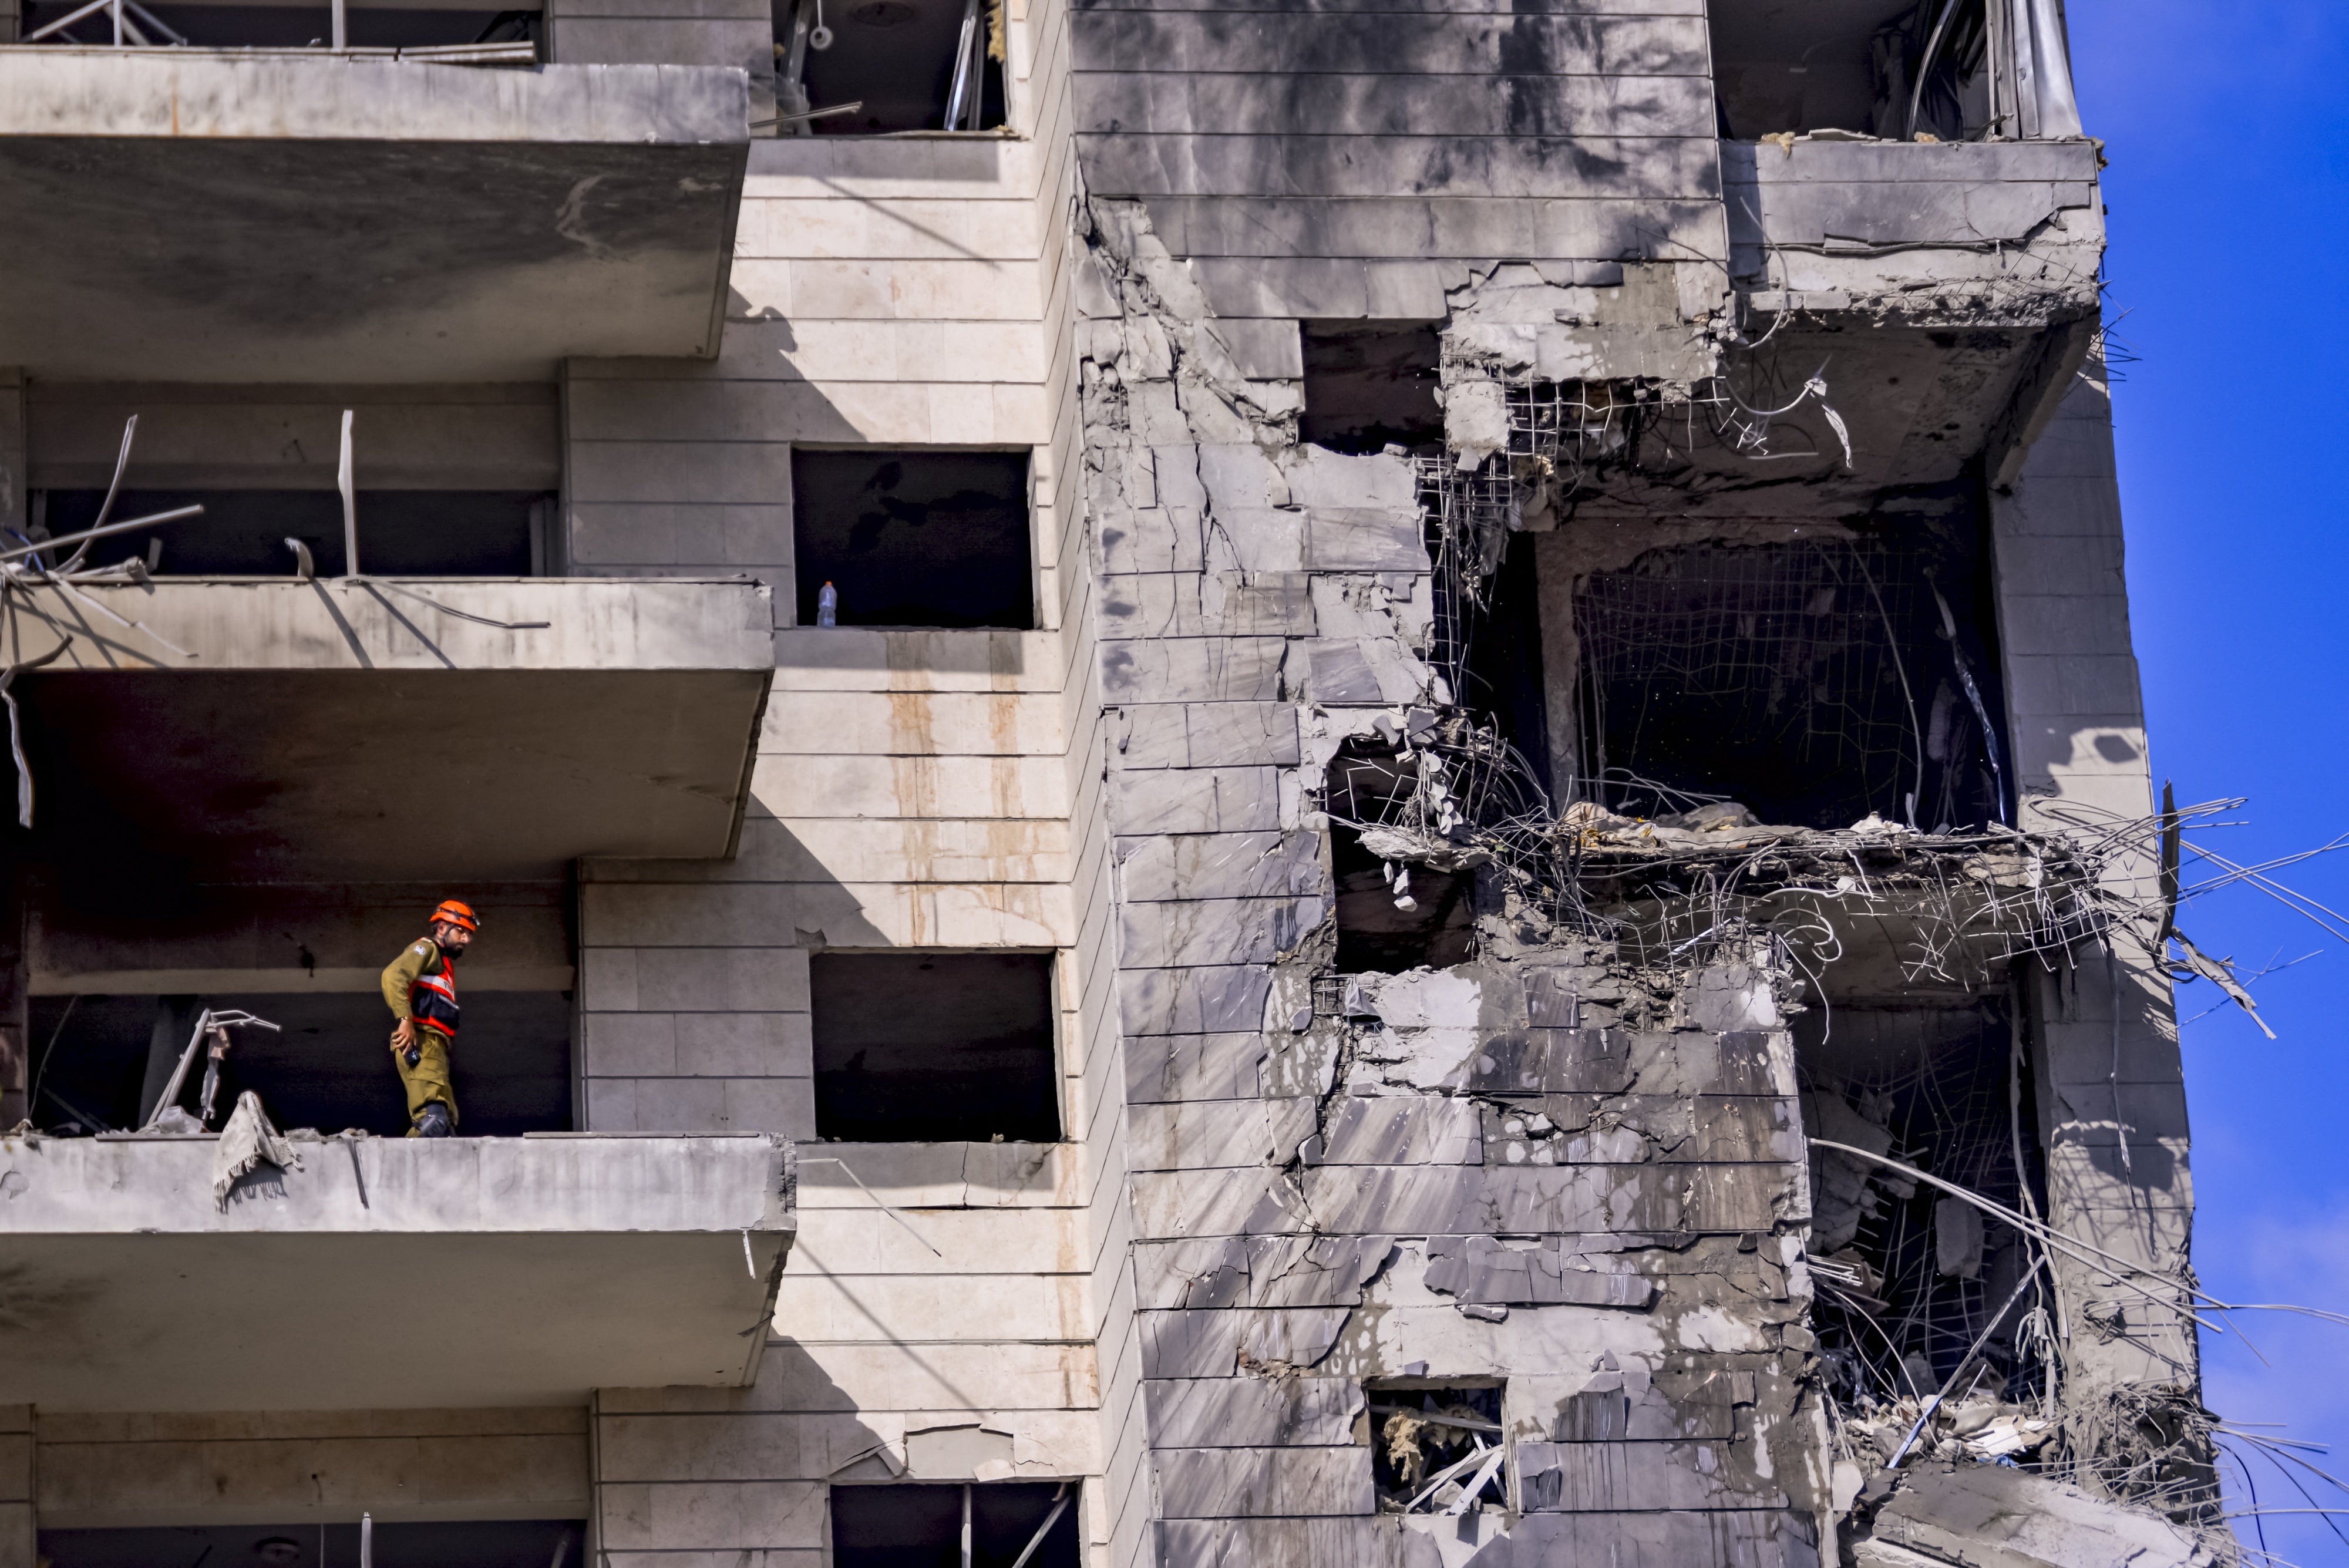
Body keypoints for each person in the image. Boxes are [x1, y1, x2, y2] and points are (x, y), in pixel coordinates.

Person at [379, 899, 478, 1137]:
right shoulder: (427, 949)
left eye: (469, 934)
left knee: (445, 1129)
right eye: (462, 931)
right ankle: (401, 1170)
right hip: (422, 1043)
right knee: (432, 1120)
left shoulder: (444, 965)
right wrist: (405, 1019)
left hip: (436, 1048)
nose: (467, 939)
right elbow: (393, 975)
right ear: (442, 928)